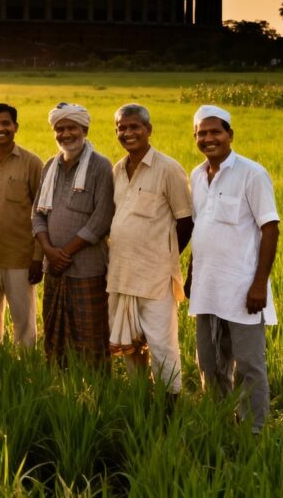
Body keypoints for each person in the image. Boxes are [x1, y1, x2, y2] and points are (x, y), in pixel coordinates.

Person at [188, 105, 279, 433]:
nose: (208, 138)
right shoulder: (197, 176)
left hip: (243, 288)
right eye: (202, 133)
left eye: (215, 132)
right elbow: (201, 228)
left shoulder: (252, 173)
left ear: (230, 135)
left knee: (250, 366)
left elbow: (270, 228)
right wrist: (190, 276)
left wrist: (259, 285)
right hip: (206, 287)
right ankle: (219, 421)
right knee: (210, 363)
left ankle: (254, 431)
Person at [107, 103, 193, 396]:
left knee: (161, 344)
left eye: (134, 127)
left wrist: (165, 258)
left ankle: (170, 404)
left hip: (155, 277)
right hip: (120, 274)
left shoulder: (168, 168)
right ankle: (140, 398)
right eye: (122, 127)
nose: (128, 133)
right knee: (130, 342)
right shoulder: (117, 169)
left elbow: (186, 221)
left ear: (148, 130)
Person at [32, 102, 114, 366]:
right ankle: (60, 382)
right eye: (60, 128)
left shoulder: (100, 166)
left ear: (85, 129)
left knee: (90, 332)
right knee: (55, 330)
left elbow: (101, 219)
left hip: (87, 268)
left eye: (71, 128)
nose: (65, 134)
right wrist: (49, 250)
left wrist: (64, 253)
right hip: (54, 267)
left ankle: (95, 386)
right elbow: (38, 214)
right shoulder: (50, 166)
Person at [0, 103, 44, 348]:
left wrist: (38, 257)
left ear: (16, 127)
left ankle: (25, 368)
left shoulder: (32, 163)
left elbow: (43, 213)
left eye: (6, 123)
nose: (0, 128)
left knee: (23, 323)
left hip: (21, 259)